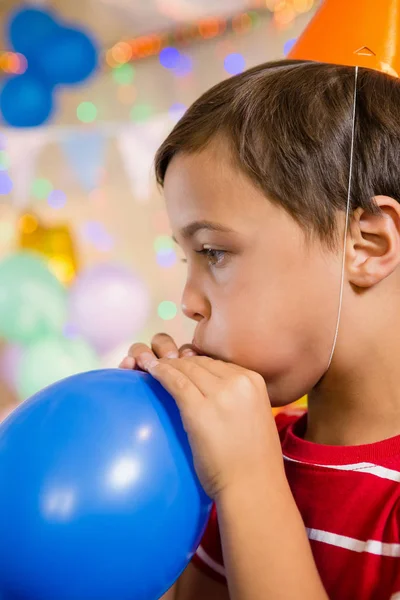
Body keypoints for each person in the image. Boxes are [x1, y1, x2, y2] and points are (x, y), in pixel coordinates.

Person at [119, 59, 400, 600]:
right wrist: (169, 473)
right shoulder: (245, 448)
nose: (188, 304)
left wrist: (248, 483)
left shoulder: (247, 465)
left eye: (214, 252)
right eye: (187, 258)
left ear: (367, 245)